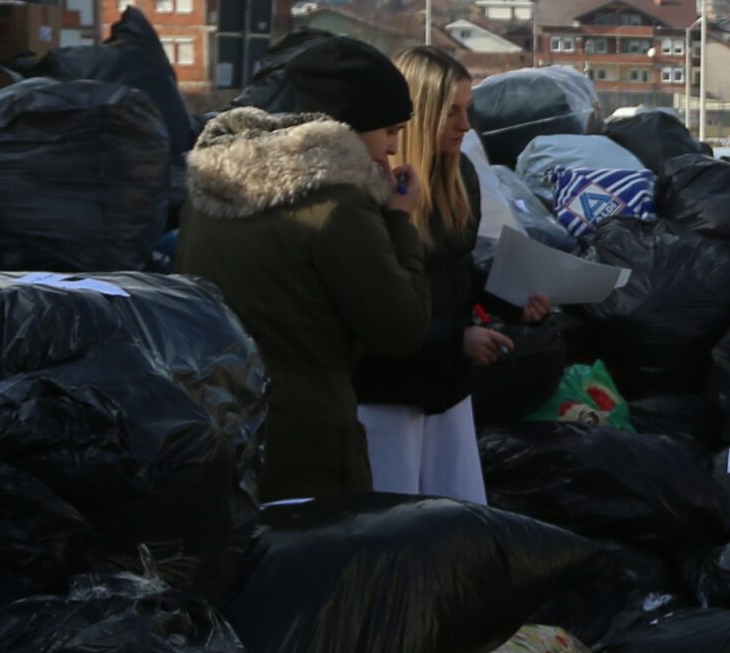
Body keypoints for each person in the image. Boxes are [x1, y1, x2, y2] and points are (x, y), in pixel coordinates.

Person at [177, 35, 434, 500]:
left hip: (217, 428)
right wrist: (400, 221)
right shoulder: (336, 206)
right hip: (307, 444)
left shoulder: (207, 191)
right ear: (347, 130)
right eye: (389, 131)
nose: (393, 149)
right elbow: (402, 328)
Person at [352, 46, 550, 501]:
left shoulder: (460, 174)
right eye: (452, 112)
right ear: (418, 116)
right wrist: (454, 338)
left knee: (458, 514)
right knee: (398, 520)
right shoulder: (374, 189)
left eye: (468, 109)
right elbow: (372, 306)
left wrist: (514, 304)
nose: (466, 125)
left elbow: (456, 272)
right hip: (387, 391)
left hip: (447, 386)